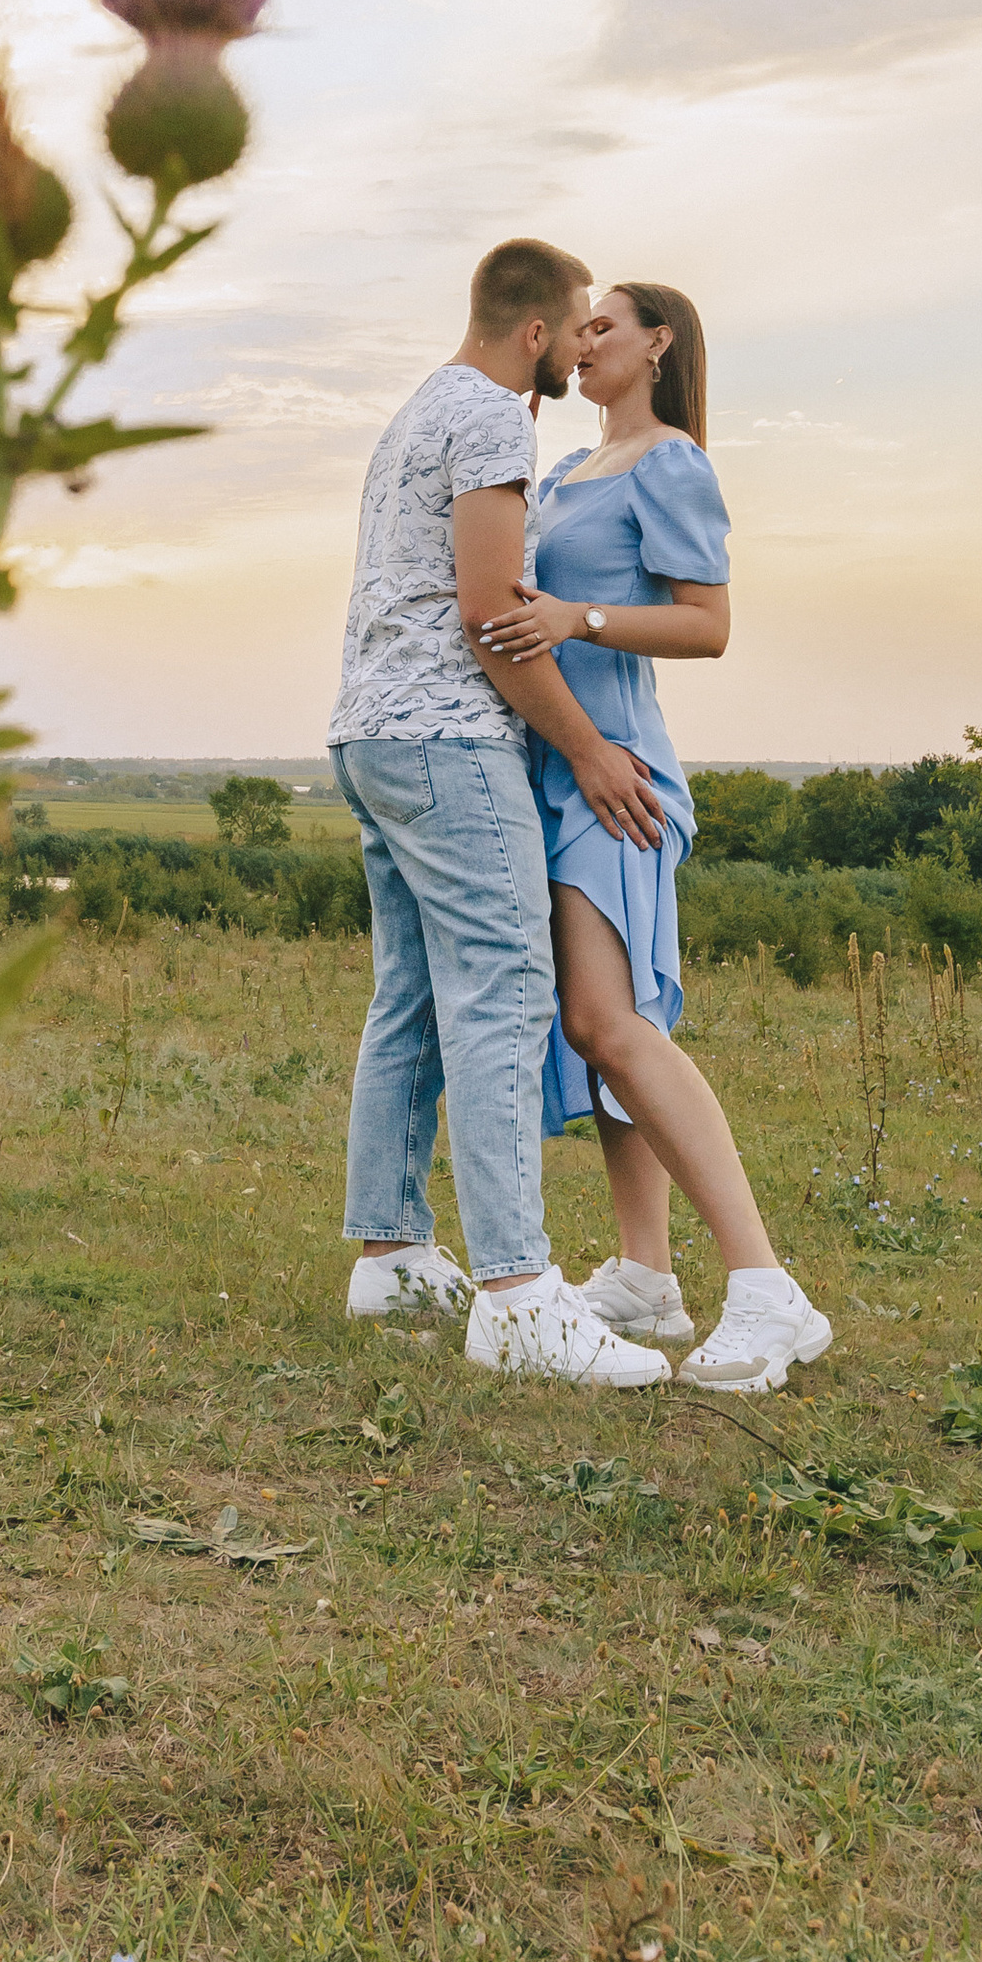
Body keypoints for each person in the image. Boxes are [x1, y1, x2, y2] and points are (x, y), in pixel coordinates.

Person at [327, 239, 679, 1386]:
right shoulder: (488, 418)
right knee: (506, 992)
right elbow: (487, 615)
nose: (581, 349)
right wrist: (585, 752)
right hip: (446, 741)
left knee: (414, 993)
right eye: (577, 331)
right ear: (534, 334)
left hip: (369, 732)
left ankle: (389, 1254)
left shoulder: (414, 414)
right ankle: (521, 1294)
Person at [475, 282, 831, 1396]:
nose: (580, 344)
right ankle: (643, 1273)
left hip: (613, 773)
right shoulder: (572, 468)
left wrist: (576, 617)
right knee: (594, 1033)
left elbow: (707, 621)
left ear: (657, 343)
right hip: (550, 765)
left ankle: (768, 1290)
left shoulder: (671, 461)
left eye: (603, 327)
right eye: (577, 329)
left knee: (609, 1020)